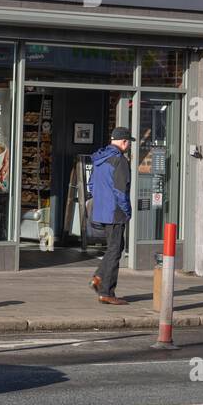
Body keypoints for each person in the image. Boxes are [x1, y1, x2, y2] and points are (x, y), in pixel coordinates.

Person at [88, 127, 133, 305]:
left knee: (115, 247)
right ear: (124, 142)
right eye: (129, 141)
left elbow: (91, 185)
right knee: (115, 251)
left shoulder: (100, 158)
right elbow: (121, 191)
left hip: (102, 211)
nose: (129, 145)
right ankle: (107, 292)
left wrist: (102, 201)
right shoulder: (119, 160)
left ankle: (98, 278)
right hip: (115, 212)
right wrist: (127, 212)